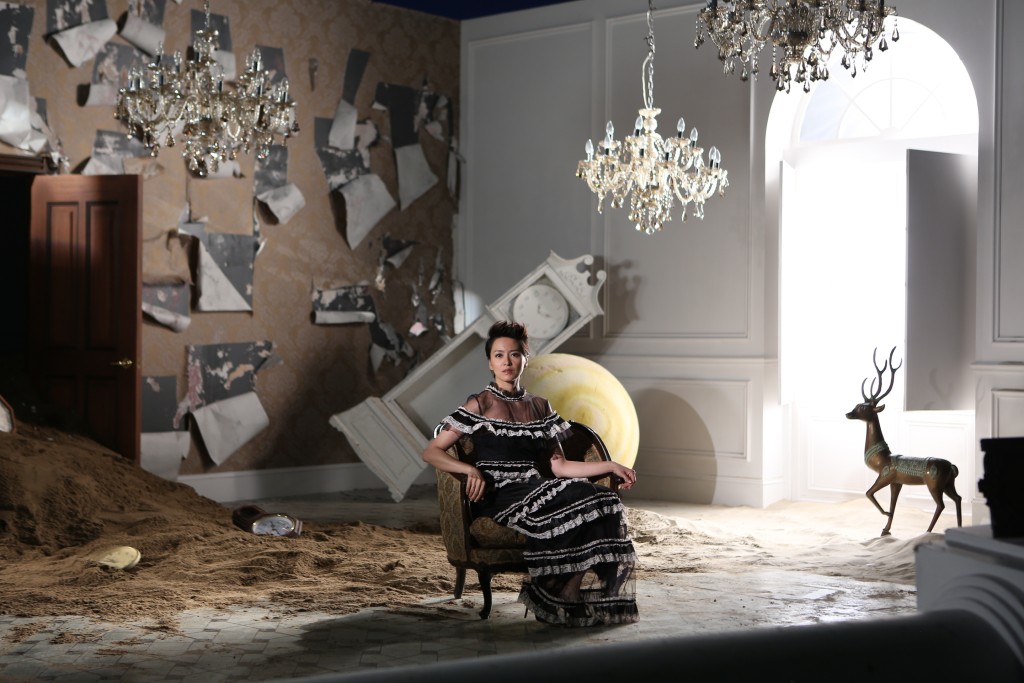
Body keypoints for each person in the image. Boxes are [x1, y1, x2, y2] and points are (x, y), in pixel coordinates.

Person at [422, 320, 639, 626]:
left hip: (536, 488)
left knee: (606, 501)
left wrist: (611, 465)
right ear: (490, 363)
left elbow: (559, 466)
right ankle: (558, 591)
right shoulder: (479, 404)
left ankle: (568, 589)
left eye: (514, 354)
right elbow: (432, 451)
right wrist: (469, 469)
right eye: (498, 355)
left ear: (525, 358)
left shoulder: (540, 406)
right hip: (499, 494)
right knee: (583, 497)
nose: (506, 362)